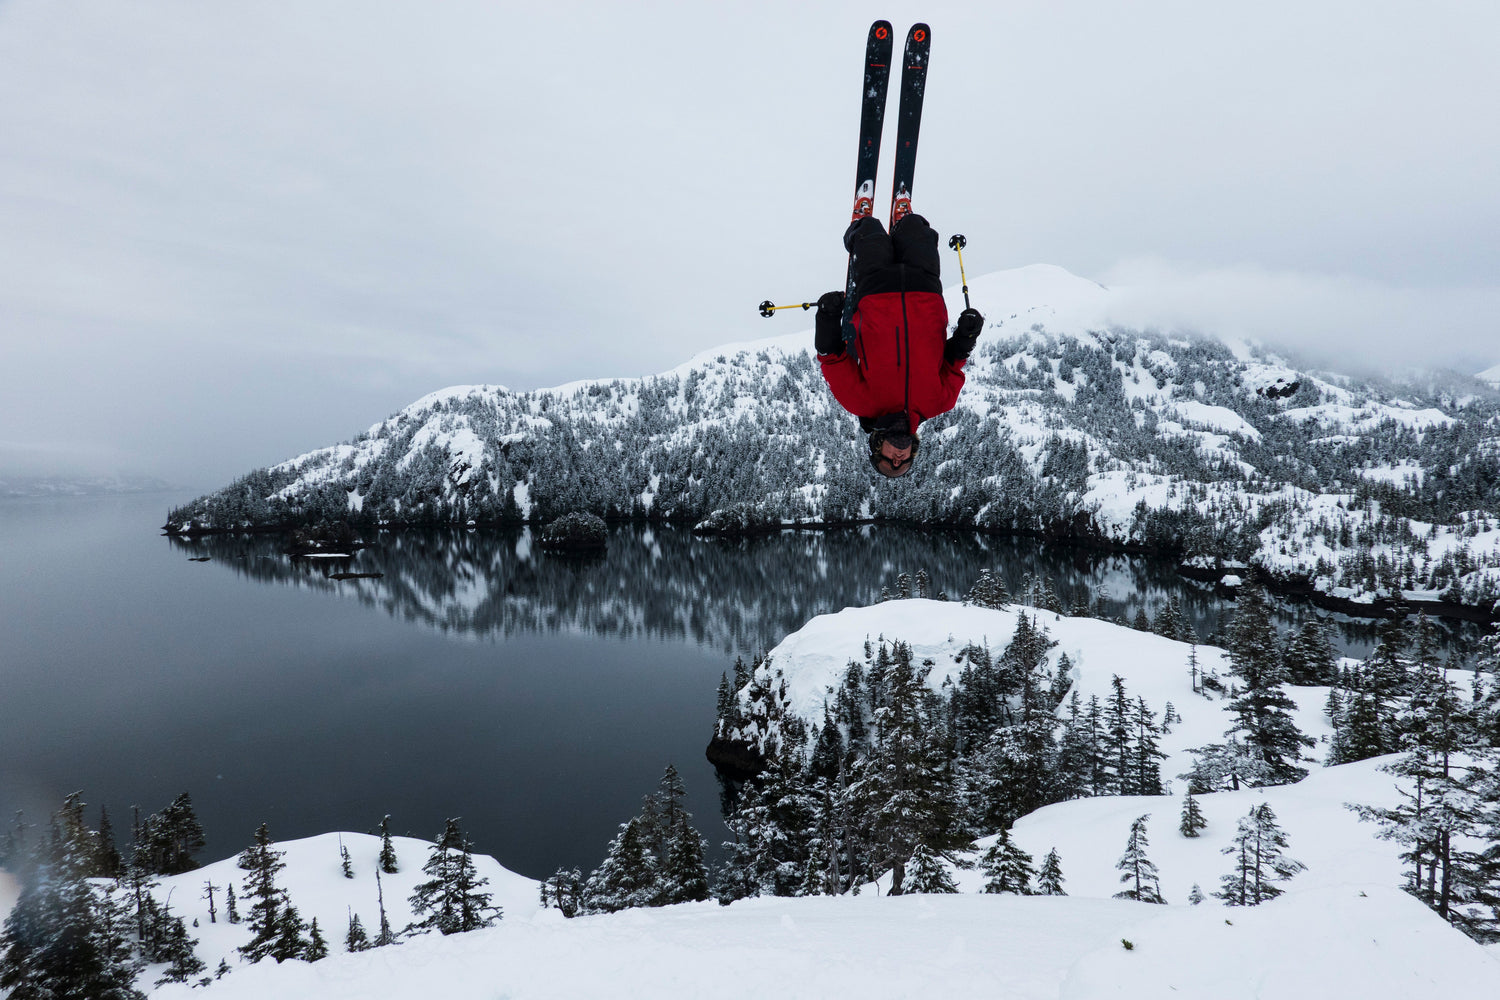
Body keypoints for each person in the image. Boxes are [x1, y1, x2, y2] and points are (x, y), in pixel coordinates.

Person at [814, 212, 983, 477]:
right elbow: (953, 361)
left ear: (877, 447)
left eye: (889, 462)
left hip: (875, 292)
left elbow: (831, 357)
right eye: (903, 464)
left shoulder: (861, 403)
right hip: (925, 291)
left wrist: (827, 316)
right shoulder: (939, 403)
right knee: (917, 228)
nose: (898, 460)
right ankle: (903, 222)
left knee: (868, 230)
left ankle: (860, 231)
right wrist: (967, 335)